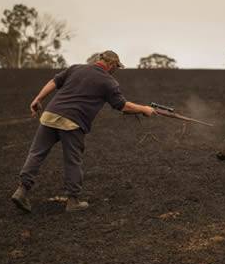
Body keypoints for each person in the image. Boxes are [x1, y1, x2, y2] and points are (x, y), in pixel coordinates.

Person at [11, 50, 155, 213]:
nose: (115, 70)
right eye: (116, 67)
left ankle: (21, 190)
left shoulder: (76, 68)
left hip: (50, 115)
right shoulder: (109, 82)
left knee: (36, 153)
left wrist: (38, 99)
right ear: (111, 65)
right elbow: (122, 106)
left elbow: (54, 82)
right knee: (73, 160)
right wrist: (144, 109)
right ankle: (73, 201)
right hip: (73, 122)